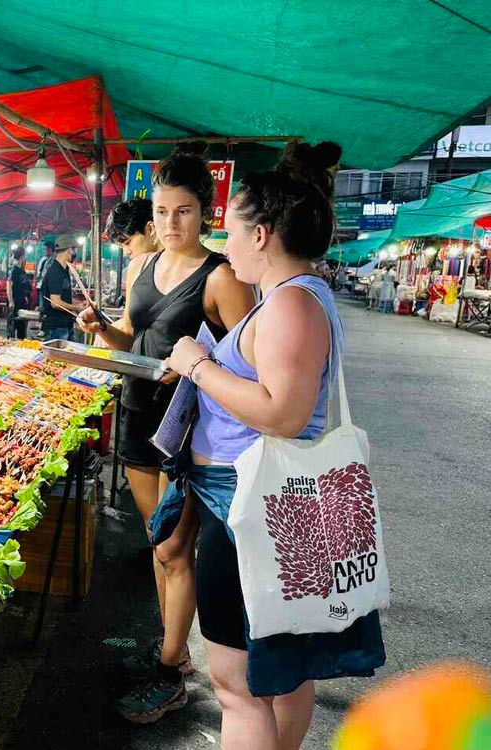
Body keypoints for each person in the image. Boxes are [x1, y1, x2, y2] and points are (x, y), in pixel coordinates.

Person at [161, 141, 385, 748]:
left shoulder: (291, 303)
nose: (225, 245)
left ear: (261, 234)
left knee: (238, 685)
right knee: (285, 675)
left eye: (230, 230)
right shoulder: (294, 297)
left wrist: (199, 366)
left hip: (252, 508)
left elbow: (282, 413)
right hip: (263, 504)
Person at [78, 144, 255, 723]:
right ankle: (169, 654)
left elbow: (252, 366)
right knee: (160, 549)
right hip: (136, 419)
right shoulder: (141, 268)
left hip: (189, 435)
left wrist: (203, 367)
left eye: (182, 211)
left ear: (205, 211)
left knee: (176, 549)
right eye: (160, 211)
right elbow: (132, 342)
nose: (169, 223)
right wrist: (102, 328)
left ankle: (171, 669)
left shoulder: (222, 277)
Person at [41, 236, 82, 340]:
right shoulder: (56, 272)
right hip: (56, 328)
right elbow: (55, 303)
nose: (74, 254)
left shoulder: (64, 271)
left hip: (65, 325)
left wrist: (80, 303)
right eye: (74, 250)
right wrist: (77, 308)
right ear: (69, 250)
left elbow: (64, 297)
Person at [7, 247, 32, 339]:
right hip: (15, 301)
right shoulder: (13, 270)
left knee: (21, 326)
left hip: (22, 301)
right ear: (22, 256)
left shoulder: (21, 270)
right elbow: (9, 285)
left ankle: (21, 345)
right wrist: (10, 301)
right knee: (13, 327)